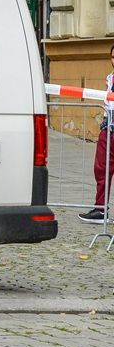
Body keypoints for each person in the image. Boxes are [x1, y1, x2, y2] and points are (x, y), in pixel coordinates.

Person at [80, 45, 114, 223]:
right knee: (101, 169)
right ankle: (100, 210)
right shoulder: (110, 77)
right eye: (113, 57)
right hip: (108, 128)